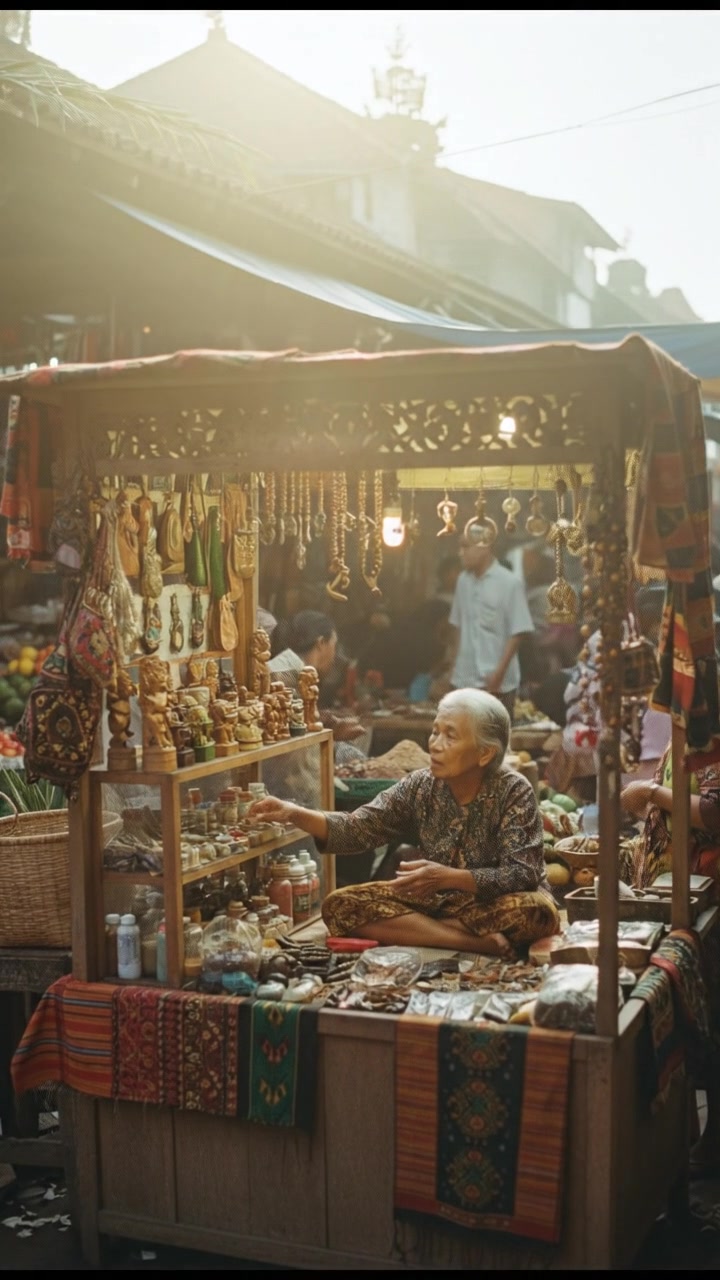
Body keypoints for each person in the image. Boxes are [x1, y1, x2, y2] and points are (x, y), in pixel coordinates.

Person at [250, 688, 559, 959]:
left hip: (497, 905)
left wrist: (449, 877)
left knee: (538, 912)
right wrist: (293, 812)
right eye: (435, 731)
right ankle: (473, 942)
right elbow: (357, 828)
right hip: (438, 905)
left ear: (484, 753)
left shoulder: (513, 790)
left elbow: (522, 873)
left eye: (450, 735)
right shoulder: (420, 785)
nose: (435, 744)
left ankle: (420, 930)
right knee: (338, 906)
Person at [621, 747, 720, 1179]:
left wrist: (653, 792)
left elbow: (714, 813)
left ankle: (713, 1139)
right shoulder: (694, 730)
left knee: (711, 1020)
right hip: (684, 890)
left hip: (709, 892)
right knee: (694, 1015)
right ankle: (691, 1133)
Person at [447, 534, 534, 717]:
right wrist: (453, 668)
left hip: (498, 683)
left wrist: (499, 673)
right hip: (465, 678)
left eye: (466, 547)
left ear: (484, 547)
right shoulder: (463, 581)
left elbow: (518, 632)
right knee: (464, 740)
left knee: (495, 740)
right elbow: (458, 626)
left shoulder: (510, 583)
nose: (461, 553)